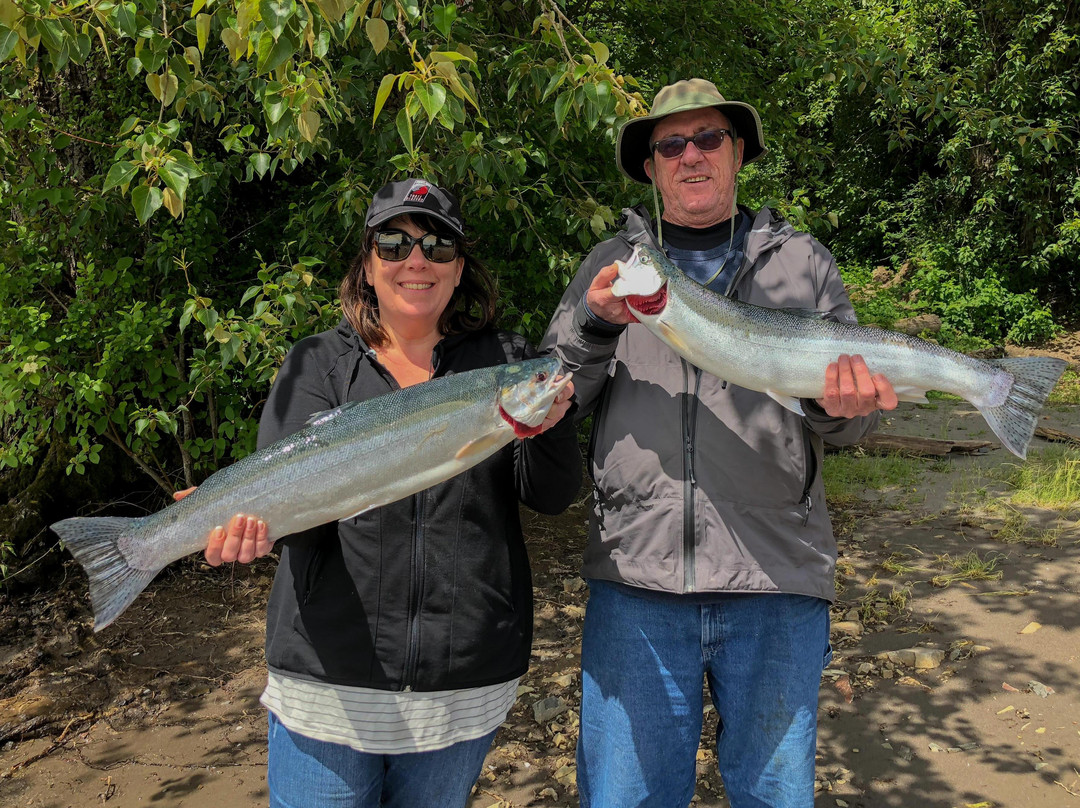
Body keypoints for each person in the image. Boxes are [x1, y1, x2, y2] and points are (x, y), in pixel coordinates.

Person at [540, 79, 898, 807]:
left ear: (739, 153)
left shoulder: (803, 263)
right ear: (650, 166)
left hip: (776, 577)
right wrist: (597, 325)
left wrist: (840, 409)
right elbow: (551, 401)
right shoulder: (611, 265)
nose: (690, 155)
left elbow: (855, 422)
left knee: (776, 797)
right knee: (625, 799)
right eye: (671, 144)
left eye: (708, 139)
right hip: (637, 579)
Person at [179, 178, 581, 808]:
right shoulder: (316, 364)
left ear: (459, 268)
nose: (415, 260)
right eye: (393, 244)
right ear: (367, 265)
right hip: (329, 682)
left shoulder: (504, 360)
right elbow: (292, 504)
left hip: (463, 685)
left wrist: (555, 422)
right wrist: (246, 526)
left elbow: (552, 497)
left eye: (436, 246)